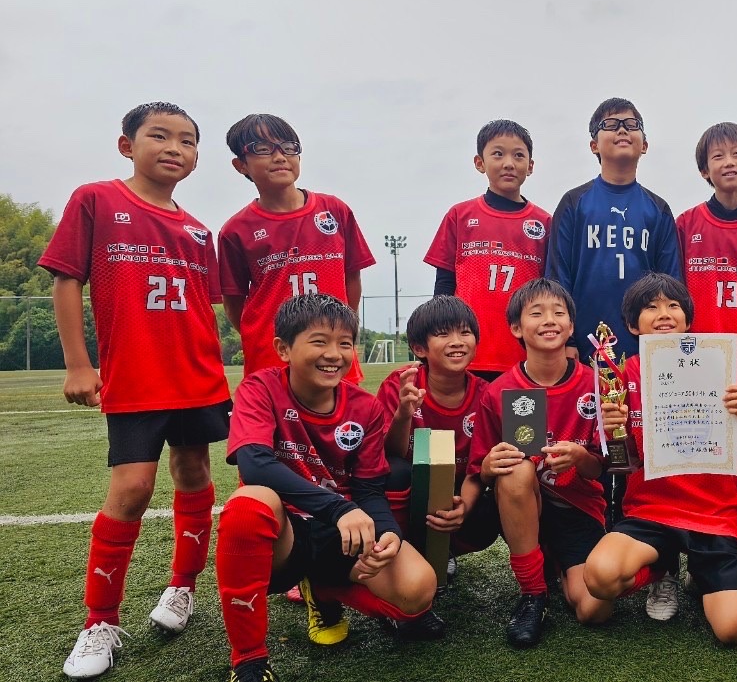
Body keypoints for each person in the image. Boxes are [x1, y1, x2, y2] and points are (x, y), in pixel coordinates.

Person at [41, 102, 231, 679]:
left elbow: (205, 308)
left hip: (197, 375)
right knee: (132, 488)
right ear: (127, 145)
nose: (175, 148)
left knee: (194, 473)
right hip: (136, 377)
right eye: (160, 136)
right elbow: (67, 279)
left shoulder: (198, 231)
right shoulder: (96, 200)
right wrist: (79, 363)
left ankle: (183, 587)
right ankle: (99, 621)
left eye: (188, 141)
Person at [215, 294, 437, 682]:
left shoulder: (365, 407)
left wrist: (388, 534)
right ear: (283, 349)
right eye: (319, 341)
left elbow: (369, 489)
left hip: (341, 535)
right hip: (285, 535)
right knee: (249, 504)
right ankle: (249, 660)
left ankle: (325, 589)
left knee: (419, 588)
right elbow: (254, 463)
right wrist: (338, 508)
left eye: (345, 343)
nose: (334, 354)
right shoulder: (259, 388)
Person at [584, 273, 737, 643]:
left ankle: (704, 573)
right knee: (599, 579)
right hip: (651, 511)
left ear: (688, 319)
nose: (664, 313)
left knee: (735, 630)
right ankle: (662, 570)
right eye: (651, 307)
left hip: (714, 513)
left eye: (673, 305)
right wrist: (615, 432)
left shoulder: (721, 362)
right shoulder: (620, 375)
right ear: (633, 324)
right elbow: (623, 464)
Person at [546, 96, 681, 528]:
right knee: (590, 432)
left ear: (645, 144)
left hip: (644, 349)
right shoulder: (574, 203)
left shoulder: (658, 209)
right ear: (593, 144)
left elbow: (669, 285)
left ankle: (642, 523)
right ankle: (590, 524)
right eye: (610, 124)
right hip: (587, 345)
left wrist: (665, 344)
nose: (622, 129)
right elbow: (558, 277)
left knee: (642, 436)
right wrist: (567, 340)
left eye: (632, 123)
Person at [467, 278, 614, 648]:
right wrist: (489, 465)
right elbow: (480, 470)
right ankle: (533, 593)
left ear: (571, 325)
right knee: (516, 469)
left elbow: (602, 469)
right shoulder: (499, 391)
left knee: (595, 610)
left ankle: (556, 564)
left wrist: (579, 457)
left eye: (558, 312)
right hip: (524, 504)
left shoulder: (597, 384)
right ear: (516, 327)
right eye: (536, 313)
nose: (549, 320)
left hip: (578, 507)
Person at [671, 121, 737, 597]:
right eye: (717, 156)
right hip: (697, 359)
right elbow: (673, 293)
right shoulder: (686, 224)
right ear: (704, 170)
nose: (728, 162)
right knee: (695, 447)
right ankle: (693, 537)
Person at [217, 113, 375, 383]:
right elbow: (233, 303)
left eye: (288, 147)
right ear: (240, 164)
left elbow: (352, 277)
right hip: (271, 358)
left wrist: (342, 332)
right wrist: (269, 338)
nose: (279, 157)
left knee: (343, 411)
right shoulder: (235, 230)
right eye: (263, 149)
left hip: (332, 353)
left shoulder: (334, 210)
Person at [376, 296, 494, 625]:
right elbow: (388, 455)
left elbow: (480, 467)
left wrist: (464, 507)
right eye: (443, 334)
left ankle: (446, 550)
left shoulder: (486, 394)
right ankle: (402, 556)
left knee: (493, 500)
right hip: (411, 491)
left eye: (465, 332)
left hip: (460, 490)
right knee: (395, 472)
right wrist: (404, 413)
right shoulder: (401, 385)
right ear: (419, 347)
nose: (457, 342)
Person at [424, 119, 552, 381]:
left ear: (530, 166)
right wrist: (437, 336)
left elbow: (551, 289)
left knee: (524, 411)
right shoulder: (460, 216)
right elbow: (444, 286)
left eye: (518, 155)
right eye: (498, 154)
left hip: (524, 355)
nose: (509, 163)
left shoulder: (544, 222)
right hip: (466, 353)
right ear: (479, 162)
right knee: (468, 410)